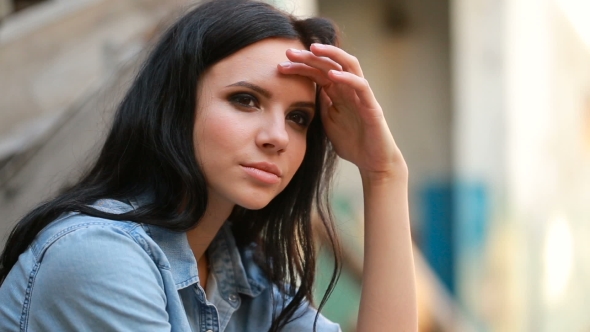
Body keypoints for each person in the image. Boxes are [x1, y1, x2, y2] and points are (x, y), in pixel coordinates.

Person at [0, 0, 417, 330]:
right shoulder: (97, 256)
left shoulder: (243, 280)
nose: (277, 136)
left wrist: (384, 175)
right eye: (246, 100)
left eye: (299, 118)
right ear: (176, 106)